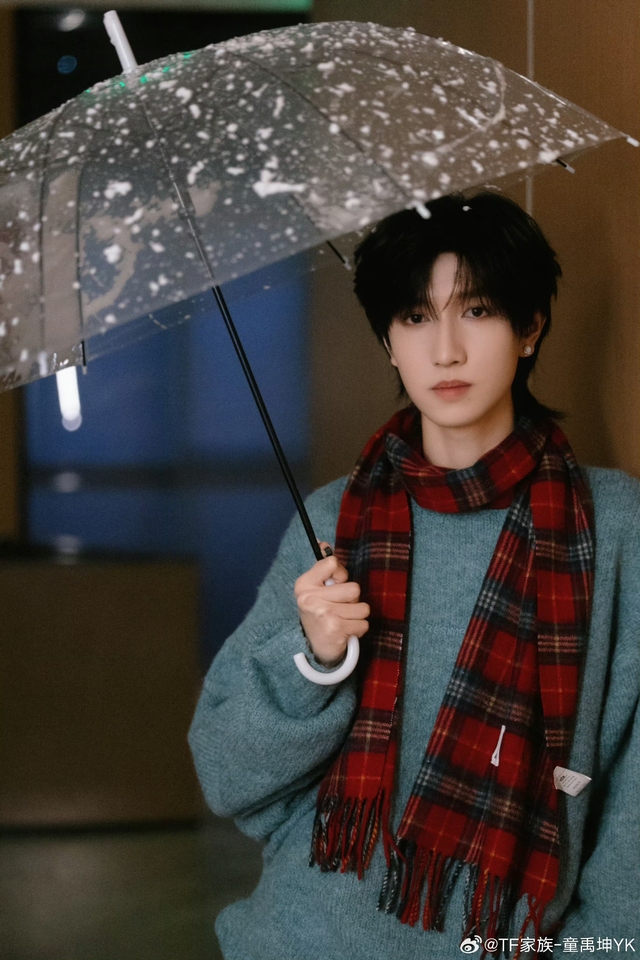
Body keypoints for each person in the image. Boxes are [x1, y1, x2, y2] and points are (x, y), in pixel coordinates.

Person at [188, 192, 640, 960]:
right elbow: (226, 774)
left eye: (478, 311)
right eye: (415, 317)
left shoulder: (614, 524)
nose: (446, 350)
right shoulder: (331, 521)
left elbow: (632, 803)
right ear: (389, 342)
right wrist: (314, 661)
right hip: (299, 938)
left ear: (530, 327)